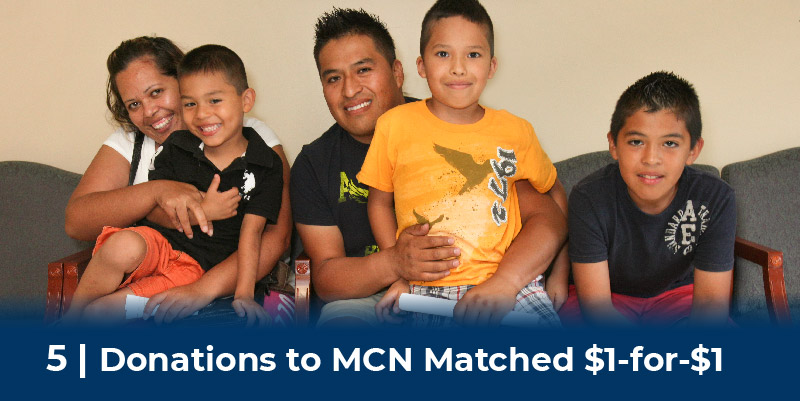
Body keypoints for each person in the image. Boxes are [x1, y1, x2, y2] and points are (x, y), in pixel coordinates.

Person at [291, 7, 567, 327]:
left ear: (398, 72)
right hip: (371, 293)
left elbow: (547, 213)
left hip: (482, 280)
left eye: (363, 70)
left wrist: (555, 272)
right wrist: (397, 265)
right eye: (333, 78)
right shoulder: (313, 164)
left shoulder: (475, 127)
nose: (350, 89)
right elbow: (326, 278)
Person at [65, 37, 291, 324]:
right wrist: (158, 191)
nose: (149, 111)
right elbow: (76, 221)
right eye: (134, 104)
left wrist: (206, 289)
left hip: (209, 280)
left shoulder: (254, 143)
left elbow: (272, 237)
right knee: (121, 254)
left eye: (157, 92)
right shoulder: (142, 143)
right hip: (149, 255)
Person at [562, 71, 736, 326]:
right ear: (613, 145)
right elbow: (597, 310)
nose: (651, 159)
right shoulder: (589, 197)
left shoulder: (715, 198)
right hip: (609, 296)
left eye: (670, 144)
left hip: (679, 297)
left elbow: (710, 307)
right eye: (636, 142)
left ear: (693, 150)